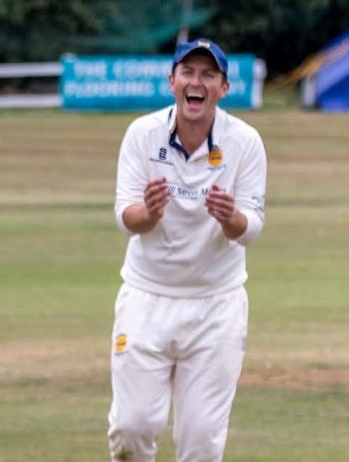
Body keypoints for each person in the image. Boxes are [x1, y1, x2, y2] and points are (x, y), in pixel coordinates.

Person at [108, 39, 267, 462]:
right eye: (189, 73)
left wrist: (229, 217)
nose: (197, 82)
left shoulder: (245, 142)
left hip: (217, 305)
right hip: (147, 297)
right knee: (132, 428)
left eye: (208, 75)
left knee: (201, 442)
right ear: (172, 81)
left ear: (223, 87)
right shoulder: (143, 133)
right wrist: (151, 213)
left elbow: (250, 228)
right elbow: (126, 215)